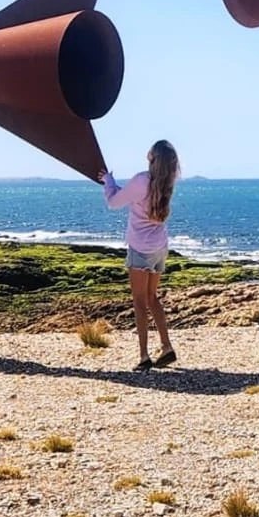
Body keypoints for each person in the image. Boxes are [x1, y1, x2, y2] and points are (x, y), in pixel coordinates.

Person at [98, 140, 180, 371]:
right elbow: (135, 197)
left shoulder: (142, 180)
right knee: (152, 297)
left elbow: (114, 202)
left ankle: (144, 356)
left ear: (153, 157)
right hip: (159, 247)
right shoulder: (167, 181)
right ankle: (166, 346)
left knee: (140, 301)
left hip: (140, 247)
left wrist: (108, 181)